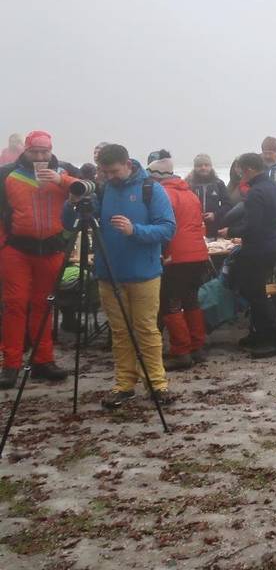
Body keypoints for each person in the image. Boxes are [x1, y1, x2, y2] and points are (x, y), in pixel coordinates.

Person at [65, 144, 176, 407]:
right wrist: (72, 203)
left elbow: (168, 228)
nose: (110, 176)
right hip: (109, 273)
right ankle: (124, 384)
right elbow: (69, 223)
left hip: (145, 273)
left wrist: (134, 230)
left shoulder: (151, 189)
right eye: (105, 172)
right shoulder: (103, 189)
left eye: (114, 171)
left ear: (127, 164)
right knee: (120, 332)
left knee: (146, 330)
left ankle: (157, 384)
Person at [0, 131, 74, 388]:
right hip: (16, 249)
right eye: (35, 152)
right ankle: (10, 365)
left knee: (44, 305)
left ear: (51, 151)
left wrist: (61, 180)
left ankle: (43, 361)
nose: (40, 157)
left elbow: (90, 190)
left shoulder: (63, 171)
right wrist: (2, 245)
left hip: (51, 249)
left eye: (45, 152)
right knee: (15, 304)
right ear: (26, 150)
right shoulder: (7, 174)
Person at [220, 152, 276, 359]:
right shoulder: (275, 187)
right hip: (274, 245)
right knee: (254, 291)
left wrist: (230, 231)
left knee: (256, 294)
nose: (239, 174)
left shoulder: (255, 192)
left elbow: (252, 226)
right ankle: (259, 335)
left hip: (258, 248)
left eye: (240, 170)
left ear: (249, 169)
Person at [148, 158, 210, 371]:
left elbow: (164, 227)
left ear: (156, 177)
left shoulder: (163, 194)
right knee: (191, 300)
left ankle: (181, 351)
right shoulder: (189, 193)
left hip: (176, 255)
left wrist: (163, 253)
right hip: (198, 253)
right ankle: (197, 347)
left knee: (170, 303)